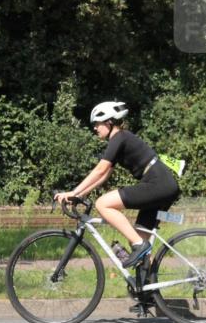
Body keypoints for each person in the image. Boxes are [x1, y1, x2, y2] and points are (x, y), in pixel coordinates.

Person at [53, 100, 180, 269]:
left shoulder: (119, 137)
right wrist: (80, 195)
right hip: (162, 185)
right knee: (138, 239)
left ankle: (139, 245)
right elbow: (104, 176)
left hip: (158, 184)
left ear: (109, 122)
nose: (95, 128)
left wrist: (73, 192)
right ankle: (148, 283)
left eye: (97, 123)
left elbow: (100, 169)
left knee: (103, 204)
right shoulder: (120, 139)